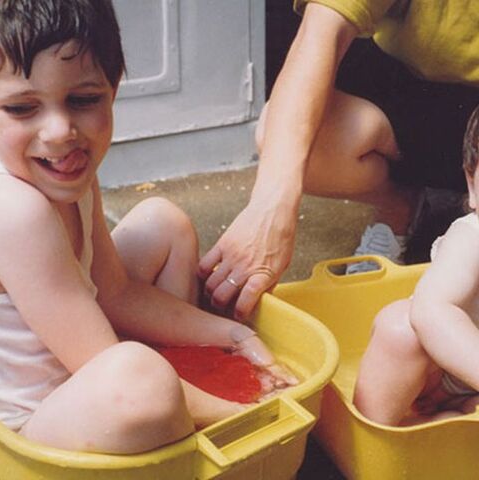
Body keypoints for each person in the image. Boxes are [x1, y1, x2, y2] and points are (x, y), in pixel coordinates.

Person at [0, 0, 295, 454]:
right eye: (21, 108)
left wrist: (234, 335)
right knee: (142, 382)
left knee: (165, 223)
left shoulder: (68, 176)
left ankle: (171, 398)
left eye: (83, 100)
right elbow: (100, 360)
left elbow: (114, 293)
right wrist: (248, 413)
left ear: (113, 89)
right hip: (33, 426)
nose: (59, 131)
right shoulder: (17, 211)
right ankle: (174, 414)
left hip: (96, 371)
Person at [198, 0, 479, 320]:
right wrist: (270, 209)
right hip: (415, 81)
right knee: (287, 135)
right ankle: (399, 208)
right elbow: (320, 31)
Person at [353, 105, 479, 426]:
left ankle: (445, 425)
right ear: (472, 185)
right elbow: (433, 312)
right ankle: (376, 435)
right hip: (435, 372)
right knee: (399, 328)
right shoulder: (470, 239)